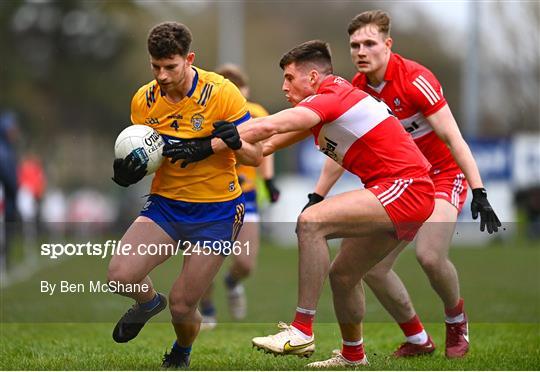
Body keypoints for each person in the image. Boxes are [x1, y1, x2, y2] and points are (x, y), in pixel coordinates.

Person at [179, 39, 439, 368]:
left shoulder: (331, 96)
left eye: (290, 78)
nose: (284, 86)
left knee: (311, 222)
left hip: (407, 187)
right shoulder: (322, 108)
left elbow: (268, 125)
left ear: (313, 77)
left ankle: (301, 330)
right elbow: (264, 147)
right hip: (399, 190)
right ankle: (353, 356)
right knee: (344, 275)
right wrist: (221, 146)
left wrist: (201, 145)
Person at [303, 10, 501, 359]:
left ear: (388, 44)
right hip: (400, 184)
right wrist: (317, 195)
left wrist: (479, 191)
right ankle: (418, 339)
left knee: (428, 255)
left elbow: (453, 138)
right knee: (373, 269)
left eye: (369, 43)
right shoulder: (357, 89)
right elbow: (340, 151)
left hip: (441, 177)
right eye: (354, 45)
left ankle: (456, 320)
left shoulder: (415, 80)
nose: (361, 51)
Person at [107, 21, 262, 369]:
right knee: (119, 276)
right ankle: (147, 303)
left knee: (182, 305)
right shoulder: (144, 101)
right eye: (155, 66)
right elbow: (146, 154)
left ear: (189, 58)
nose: (161, 75)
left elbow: (257, 154)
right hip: (166, 206)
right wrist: (126, 171)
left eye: (170, 67)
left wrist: (234, 141)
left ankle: (182, 350)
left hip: (217, 212)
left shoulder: (222, 93)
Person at [199, 64, 280, 329]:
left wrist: (268, 181)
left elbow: (265, 149)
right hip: (209, 197)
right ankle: (207, 309)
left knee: (245, 263)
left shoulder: (255, 113)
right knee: (201, 263)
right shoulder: (204, 114)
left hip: (246, 198)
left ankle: (233, 283)